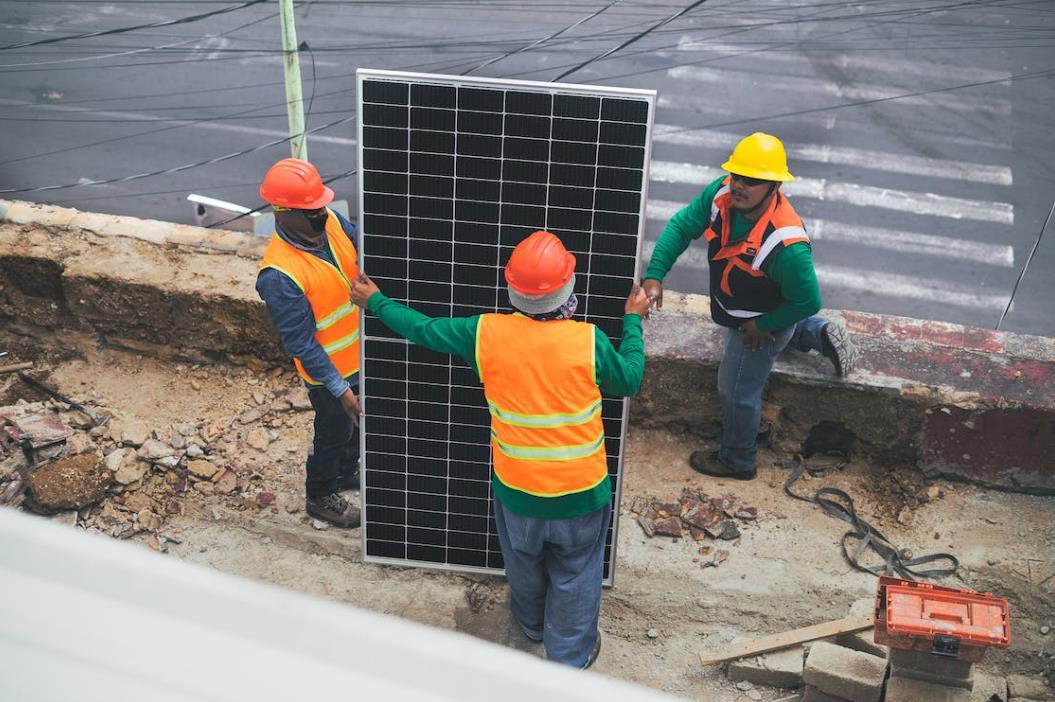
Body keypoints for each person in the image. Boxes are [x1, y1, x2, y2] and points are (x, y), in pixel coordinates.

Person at [349, 230, 649, 669]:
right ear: (568, 288)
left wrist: (376, 302)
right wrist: (634, 320)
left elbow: (423, 330)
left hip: (517, 492)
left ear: (512, 289)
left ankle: (529, 626)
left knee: (524, 564)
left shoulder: (485, 333)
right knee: (577, 574)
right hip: (581, 494)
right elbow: (630, 379)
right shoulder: (589, 341)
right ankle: (569, 657)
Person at [642, 132, 856, 481]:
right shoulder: (722, 194)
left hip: (758, 321)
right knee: (780, 334)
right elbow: (681, 226)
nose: (739, 185)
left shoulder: (785, 243)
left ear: (774, 185)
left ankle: (737, 459)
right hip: (745, 305)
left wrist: (764, 325)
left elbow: (807, 299)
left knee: (737, 389)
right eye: (736, 175)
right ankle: (815, 333)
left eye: (751, 181)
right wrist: (654, 276)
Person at [256, 158, 363, 528]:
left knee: (354, 429)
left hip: (359, 357)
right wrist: (340, 389)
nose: (321, 214)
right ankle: (319, 494)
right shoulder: (280, 275)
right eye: (311, 211)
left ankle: (348, 471)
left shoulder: (330, 221)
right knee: (333, 432)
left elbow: (356, 242)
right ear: (282, 214)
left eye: (320, 205)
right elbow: (301, 343)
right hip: (328, 375)